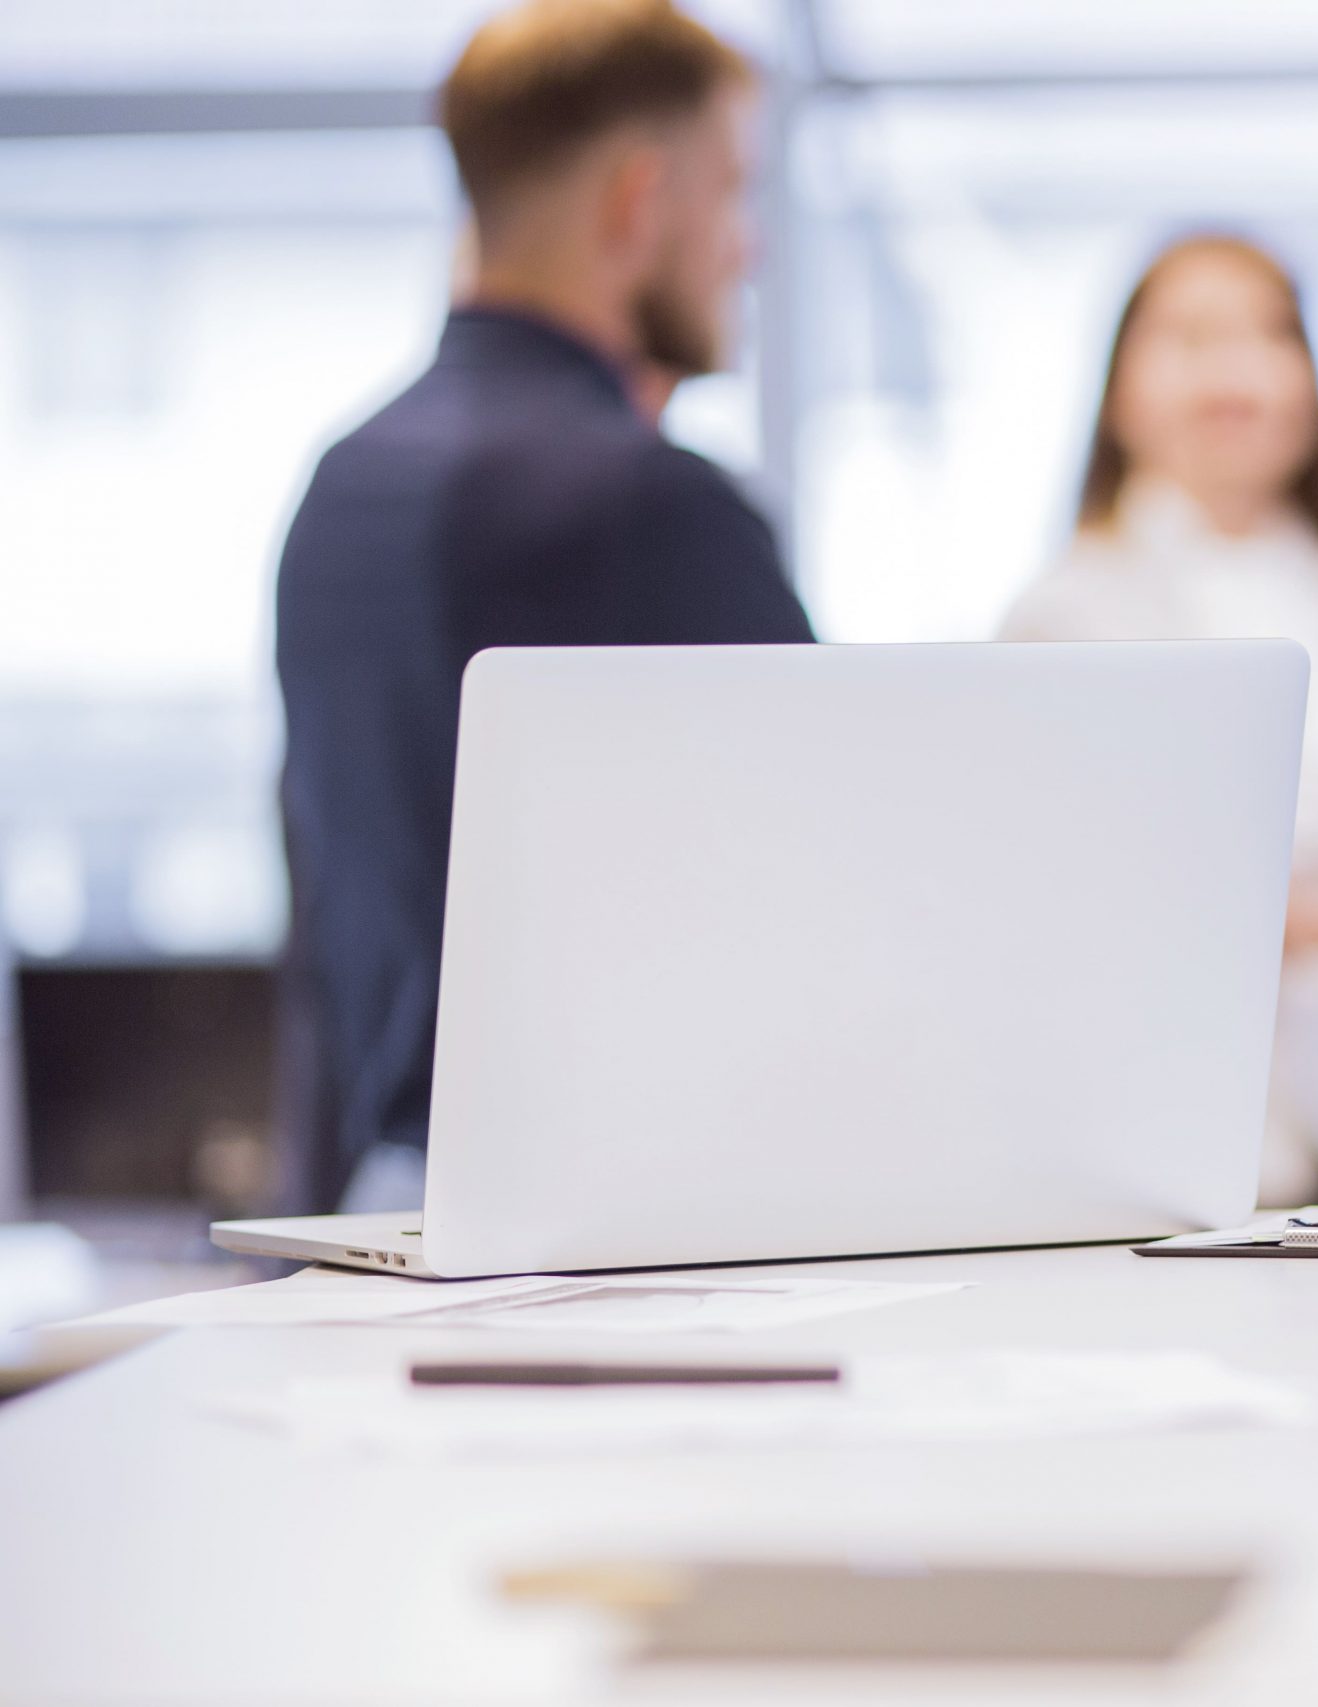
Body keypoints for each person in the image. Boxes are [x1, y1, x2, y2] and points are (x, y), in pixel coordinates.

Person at [275, 0, 813, 1212]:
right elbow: (816, 912)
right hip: (617, 1220)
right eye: (734, 191)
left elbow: (323, 933)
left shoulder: (338, 490)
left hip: (383, 1201)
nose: (751, 246)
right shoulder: (654, 505)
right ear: (639, 201)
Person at [1001, 234, 1318, 1206]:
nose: (1233, 372)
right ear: (1117, 392)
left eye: (1268, 336)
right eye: (1189, 337)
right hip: (1156, 1163)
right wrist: (1274, 922)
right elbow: (1039, 921)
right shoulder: (1061, 619)